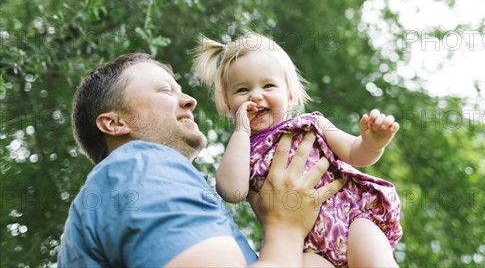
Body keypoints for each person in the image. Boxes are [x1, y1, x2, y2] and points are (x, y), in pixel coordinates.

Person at [57, 52, 345, 267]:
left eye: (181, 89)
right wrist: (286, 227)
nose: (189, 100)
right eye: (165, 90)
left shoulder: (117, 190)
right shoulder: (140, 162)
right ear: (115, 123)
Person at [193, 32, 402, 268]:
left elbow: (355, 153)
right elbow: (232, 191)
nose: (256, 95)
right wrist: (241, 131)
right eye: (242, 90)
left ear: (290, 95)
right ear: (228, 105)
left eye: (268, 85)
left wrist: (372, 143)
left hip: (352, 218)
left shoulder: (313, 123)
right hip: (306, 246)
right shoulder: (242, 152)